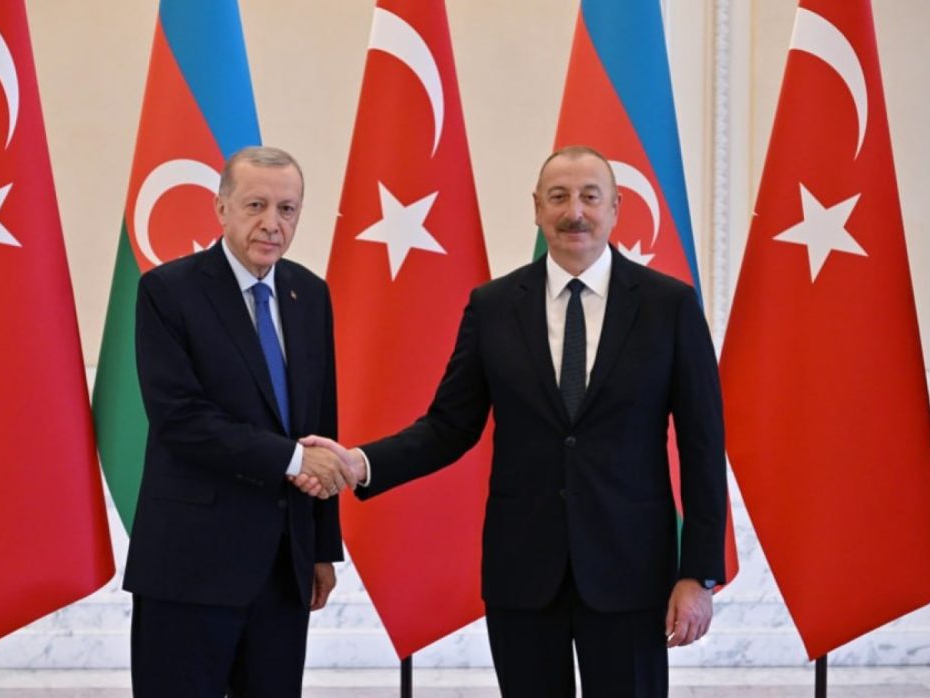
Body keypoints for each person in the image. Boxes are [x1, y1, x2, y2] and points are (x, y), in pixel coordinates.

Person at [300, 146, 727, 697]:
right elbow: (449, 427)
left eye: (590, 197)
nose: (575, 211)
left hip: (632, 573)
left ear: (616, 207)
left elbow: (701, 445)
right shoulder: (494, 306)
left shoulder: (669, 306)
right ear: (537, 208)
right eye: (559, 197)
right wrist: (361, 463)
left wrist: (698, 575)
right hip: (524, 573)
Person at [124, 146, 356, 697]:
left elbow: (321, 421)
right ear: (221, 208)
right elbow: (181, 419)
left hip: (283, 569)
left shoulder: (309, 293)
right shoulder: (167, 291)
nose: (272, 223)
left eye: (287, 209)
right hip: (190, 566)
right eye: (256, 205)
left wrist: (321, 548)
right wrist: (293, 460)